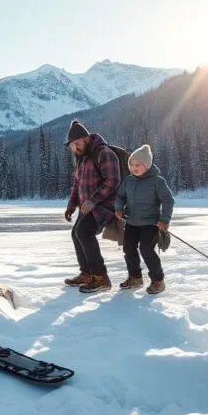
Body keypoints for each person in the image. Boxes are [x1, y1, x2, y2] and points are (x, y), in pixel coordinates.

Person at [62, 120, 121, 294]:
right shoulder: (81, 159)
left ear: (87, 138)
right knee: (76, 233)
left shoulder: (103, 153)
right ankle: (87, 273)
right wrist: (71, 207)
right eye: (72, 145)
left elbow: (113, 181)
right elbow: (77, 185)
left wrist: (93, 200)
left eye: (77, 143)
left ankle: (101, 277)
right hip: (88, 206)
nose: (75, 147)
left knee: (83, 232)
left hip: (105, 205)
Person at [115, 144, 174, 295]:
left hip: (150, 223)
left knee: (146, 249)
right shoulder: (128, 181)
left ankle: (158, 280)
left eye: (138, 165)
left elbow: (168, 200)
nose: (134, 167)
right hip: (131, 222)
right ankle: (135, 278)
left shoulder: (157, 181)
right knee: (128, 249)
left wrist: (164, 220)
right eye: (131, 164)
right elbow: (121, 196)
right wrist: (119, 208)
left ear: (146, 165)